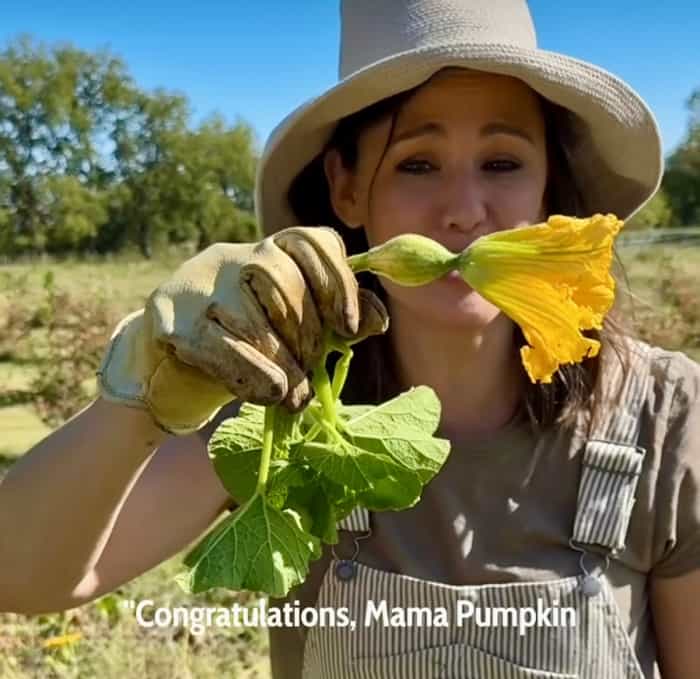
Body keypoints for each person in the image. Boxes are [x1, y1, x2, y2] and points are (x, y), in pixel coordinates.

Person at [1, 0, 698, 677]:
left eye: (503, 163)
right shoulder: (276, 398)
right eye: (417, 164)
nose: (464, 212)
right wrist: (139, 398)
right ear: (347, 189)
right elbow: (23, 577)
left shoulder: (666, 418)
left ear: (550, 188)